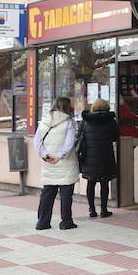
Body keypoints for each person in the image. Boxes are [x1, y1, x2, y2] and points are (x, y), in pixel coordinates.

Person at [33, 97, 80, 230]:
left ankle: (42, 222)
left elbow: (37, 142)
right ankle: (66, 221)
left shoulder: (43, 122)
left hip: (48, 162)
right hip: (65, 163)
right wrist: (59, 156)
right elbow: (70, 142)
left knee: (47, 192)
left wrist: (45, 155)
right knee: (66, 193)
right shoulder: (69, 122)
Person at [78, 99, 120, 218]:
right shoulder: (110, 121)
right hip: (105, 155)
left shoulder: (86, 121)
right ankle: (103, 210)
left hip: (89, 156)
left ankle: (92, 210)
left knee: (90, 183)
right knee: (104, 183)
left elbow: (79, 136)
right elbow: (115, 137)